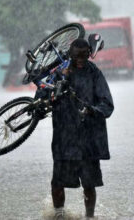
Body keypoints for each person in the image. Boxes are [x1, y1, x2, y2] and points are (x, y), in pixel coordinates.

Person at [36, 38, 114, 219]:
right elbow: (42, 90)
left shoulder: (94, 73)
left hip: (89, 139)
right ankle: (58, 216)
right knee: (57, 183)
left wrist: (92, 111)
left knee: (89, 184)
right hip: (64, 137)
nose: (80, 60)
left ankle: (89, 216)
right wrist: (40, 103)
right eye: (77, 56)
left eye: (84, 56)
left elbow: (107, 104)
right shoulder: (59, 71)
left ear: (89, 54)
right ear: (70, 54)